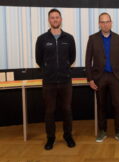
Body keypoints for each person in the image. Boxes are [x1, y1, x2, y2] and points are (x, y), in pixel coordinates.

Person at [35, 8, 76, 150]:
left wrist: (63, 67)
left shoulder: (69, 38)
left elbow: (72, 58)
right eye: (52, 17)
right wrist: (49, 70)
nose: (55, 20)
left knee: (67, 110)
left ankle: (68, 135)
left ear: (61, 19)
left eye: (57, 17)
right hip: (49, 82)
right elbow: (39, 59)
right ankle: (50, 138)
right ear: (49, 20)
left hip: (65, 81)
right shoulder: (42, 39)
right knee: (49, 112)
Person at [85, 12, 119, 143]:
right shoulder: (92, 39)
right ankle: (102, 131)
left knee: (118, 105)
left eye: (107, 21)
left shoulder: (118, 38)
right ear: (99, 24)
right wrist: (90, 79)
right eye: (102, 22)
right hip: (100, 76)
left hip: (116, 77)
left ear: (111, 23)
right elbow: (88, 60)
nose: (105, 24)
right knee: (101, 105)